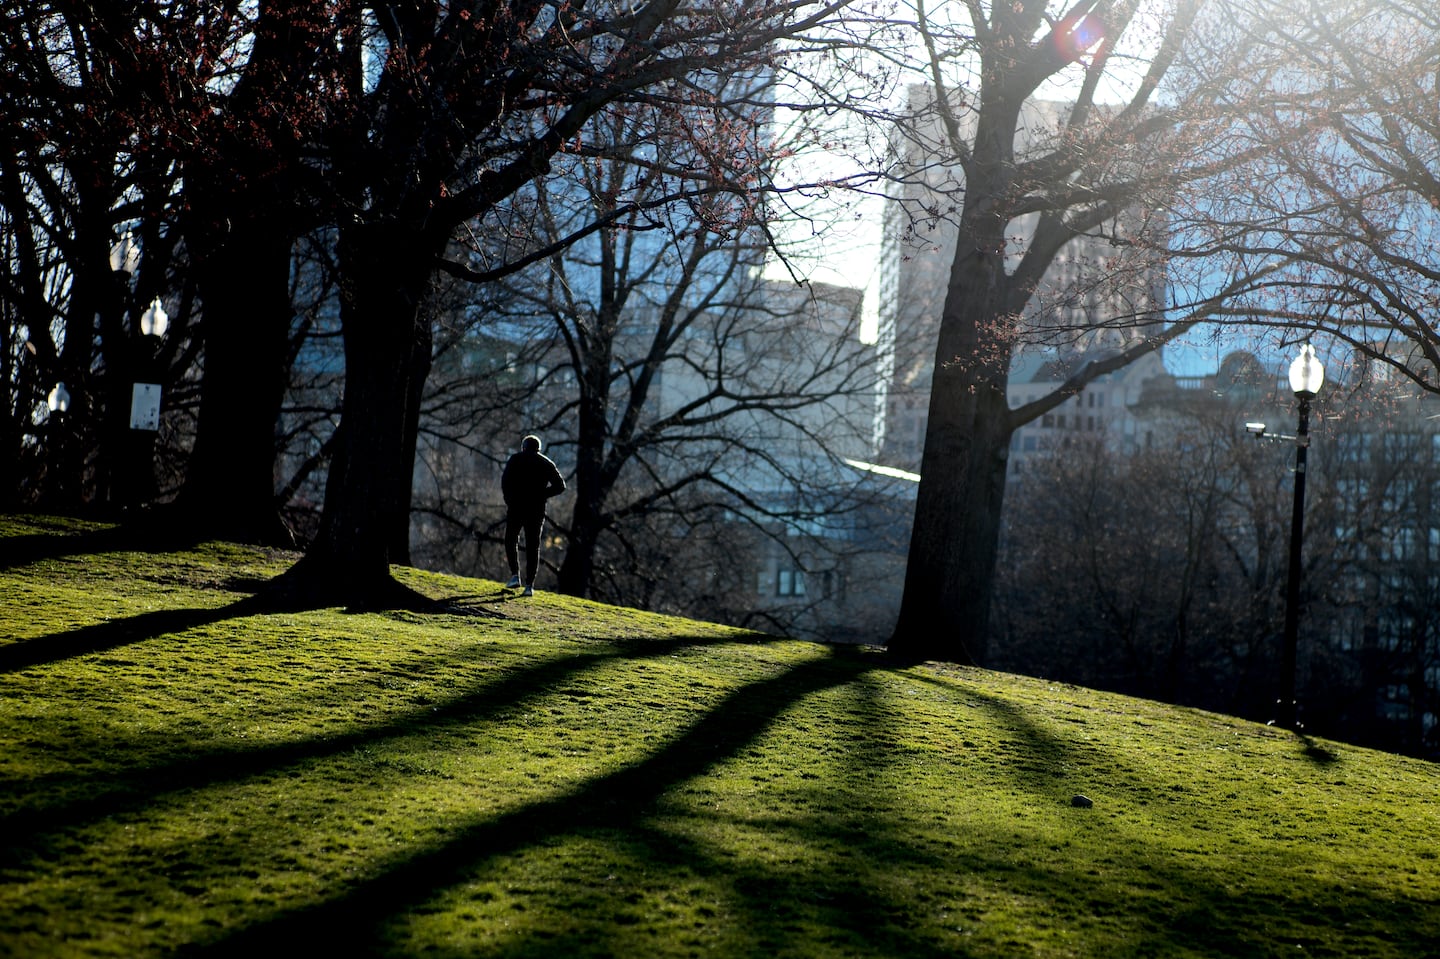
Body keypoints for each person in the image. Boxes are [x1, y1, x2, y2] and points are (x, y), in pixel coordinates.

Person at [501, 434, 566, 596]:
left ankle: (515, 575)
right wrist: (542, 494)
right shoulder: (546, 463)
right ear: (538, 448)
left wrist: (510, 500)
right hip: (536, 510)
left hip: (516, 507)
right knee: (533, 547)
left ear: (524, 447)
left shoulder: (515, 460)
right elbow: (560, 486)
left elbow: (505, 482)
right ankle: (529, 585)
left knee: (510, 540)